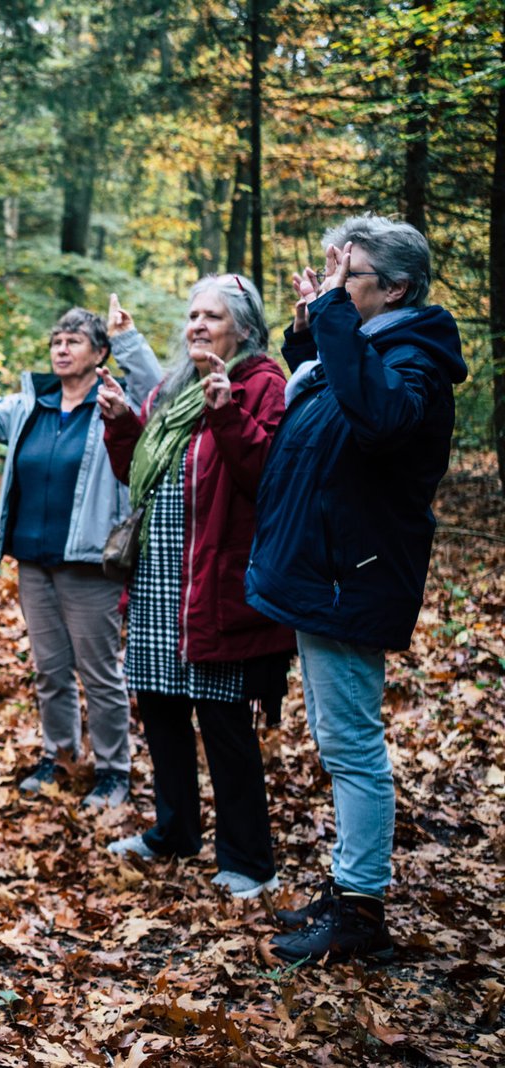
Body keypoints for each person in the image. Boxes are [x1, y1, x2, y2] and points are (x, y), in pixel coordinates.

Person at [247, 216, 466, 963]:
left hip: (353, 579)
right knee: (338, 743)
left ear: (396, 286)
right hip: (326, 574)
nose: (339, 285)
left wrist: (335, 318)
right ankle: (349, 891)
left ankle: (361, 913)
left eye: (352, 275)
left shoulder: (417, 361)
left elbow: (377, 421)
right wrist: (315, 332)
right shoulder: (371, 347)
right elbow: (322, 424)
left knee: (352, 748)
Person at [97, 274, 294, 900]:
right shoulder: (172, 387)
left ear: (243, 326)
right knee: (160, 711)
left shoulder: (264, 385)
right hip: (159, 581)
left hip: (217, 584)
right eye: (192, 315)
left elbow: (270, 478)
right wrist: (124, 424)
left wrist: (228, 412)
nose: (197, 326)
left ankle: (250, 860)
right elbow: (138, 474)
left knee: (223, 723)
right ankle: (175, 829)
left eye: (211, 316)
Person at [0, 295, 162, 807]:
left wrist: (129, 339)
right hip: (33, 560)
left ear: (99, 354)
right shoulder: (32, 405)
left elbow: (155, 390)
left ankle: (114, 770)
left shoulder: (113, 404)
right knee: (49, 669)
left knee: (98, 672)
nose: (62, 349)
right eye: (56, 341)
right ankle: (59, 755)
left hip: (90, 563)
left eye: (74, 342)